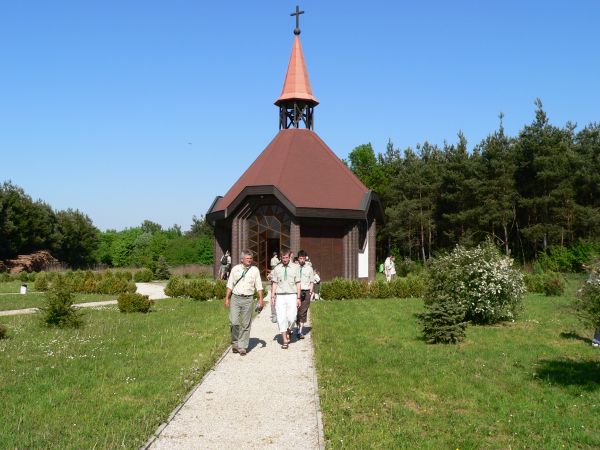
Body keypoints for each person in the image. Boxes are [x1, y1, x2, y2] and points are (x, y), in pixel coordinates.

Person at [225, 250, 264, 356]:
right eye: (247, 259)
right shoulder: (235, 269)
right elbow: (230, 284)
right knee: (234, 322)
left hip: (248, 299)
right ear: (242, 259)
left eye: (251, 258)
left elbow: (259, 286)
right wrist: (227, 298)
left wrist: (261, 299)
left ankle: (242, 347)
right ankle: (235, 343)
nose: (250, 260)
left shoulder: (255, 270)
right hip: (236, 298)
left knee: (246, 324)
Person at [271, 249, 300, 349]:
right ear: (281, 258)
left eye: (286, 257)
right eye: (283, 258)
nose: (285, 259)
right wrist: (273, 296)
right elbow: (274, 283)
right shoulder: (277, 269)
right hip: (280, 296)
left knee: (292, 317)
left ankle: (288, 330)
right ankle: (285, 340)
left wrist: (298, 297)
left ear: (289, 257)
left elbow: (298, 283)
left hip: (292, 295)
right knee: (281, 317)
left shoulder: (296, 267)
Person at [296, 250, 314, 339]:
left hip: (306, 292)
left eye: (303, 258)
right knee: (296, 312)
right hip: (296, 292)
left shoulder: (309, 268)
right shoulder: (295, 267)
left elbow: (312, 281)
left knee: (303, 312)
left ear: (305, 258)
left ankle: (300, 331)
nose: (302, 260)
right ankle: (297, 327)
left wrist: (310, 292)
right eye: (300, 258)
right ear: (298, 258)